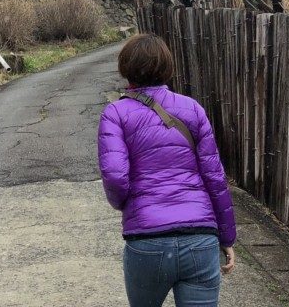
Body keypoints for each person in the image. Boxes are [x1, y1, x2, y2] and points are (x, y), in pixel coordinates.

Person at [98, 33, 236, 307]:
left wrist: (126, 204)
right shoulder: (193, 109)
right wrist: (227, 236)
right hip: (200, 237)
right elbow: (215, 177)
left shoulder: (115, 114)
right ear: (167, 68)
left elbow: (115, 176)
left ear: (126, 68)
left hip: (147, 241)